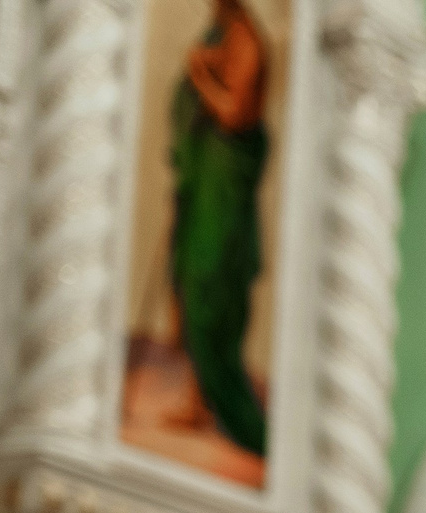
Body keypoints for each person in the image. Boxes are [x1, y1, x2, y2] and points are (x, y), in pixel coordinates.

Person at [166, 0, 270, 456]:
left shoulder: (250, 44)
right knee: (191, 281)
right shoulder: (222, 35)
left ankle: (237, 416)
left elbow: (234, 114)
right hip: (206, 176)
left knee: (213, 286)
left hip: (225, 181)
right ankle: (195, 401)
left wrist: (200, 75)